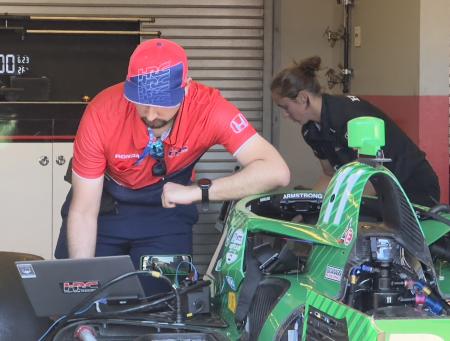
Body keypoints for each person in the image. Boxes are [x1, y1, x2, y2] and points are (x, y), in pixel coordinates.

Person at [55, 38, 290, 294]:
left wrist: (196, 192)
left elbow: (275, 171)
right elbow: (84, 211)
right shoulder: (102, 112)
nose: (151, 114)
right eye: (141, 102)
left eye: (162, 103)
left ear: (186, 87)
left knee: (165, 306)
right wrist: (81, 292)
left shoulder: (210, 110)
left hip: (166, 211)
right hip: (103, 209)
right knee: (80, 295)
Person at [271, 56, 440, 207]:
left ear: (303, 98)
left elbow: (372, 180)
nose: (285, 115)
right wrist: (308, 207)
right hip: (381, 194)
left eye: (286, 107)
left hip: (414, 189)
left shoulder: (349, 118)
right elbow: (331, 174)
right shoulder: (310, 131)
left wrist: (332, 208)